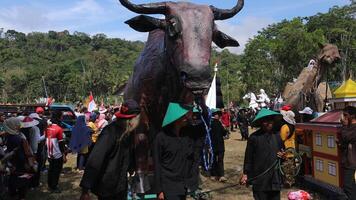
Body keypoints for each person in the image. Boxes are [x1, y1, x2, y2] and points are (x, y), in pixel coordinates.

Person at [79, 99, 141, 200]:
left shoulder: (128, 133)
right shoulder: (110, 132)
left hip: (121, 185)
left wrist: (131, 166)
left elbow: (128, 153)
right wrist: (85, 189)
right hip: (107, 187)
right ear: (133, 119)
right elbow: (95, 159)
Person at [241, 108, 285, 200]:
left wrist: (283, 155)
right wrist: (245, 174)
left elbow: (283, 153)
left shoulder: (277, 136)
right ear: (261, 122)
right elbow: (248, 157)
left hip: (275, 179)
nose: (269, 123)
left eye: (270, 120)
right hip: (260, 179)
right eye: (266, 121)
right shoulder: (254, 137)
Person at [154, 102, 194, 200]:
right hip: (168, 186)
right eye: (182, 115)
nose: (185, 118)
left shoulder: (185, 136)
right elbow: (157, 164)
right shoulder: (161, 138)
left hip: (182, 185)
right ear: (175, 119)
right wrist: (159, 190)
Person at [3, 117, 36, 200]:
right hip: (21, 163)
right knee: (23, 180)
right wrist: (29, 163)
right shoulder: (19, 138)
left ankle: (13, 193)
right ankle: (21, 196)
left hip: (11, 162)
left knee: (13, 178)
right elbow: (25, 153)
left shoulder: (8, 137)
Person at [45, 110, 67, 193]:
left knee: (51, 169)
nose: (62, 117)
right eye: (61, 116)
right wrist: (64, 155)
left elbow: (46, 141)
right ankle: (54, 186)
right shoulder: (59, 129)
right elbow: (61, 144)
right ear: (59, 117)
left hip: (49, 154)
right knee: (56, 171)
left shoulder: (47, 128)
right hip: (57, 154)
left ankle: (50, 184)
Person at [339, 106, 356, 200]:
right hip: (348, 161)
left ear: (352, 116)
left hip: (352, 162)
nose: (343, 118)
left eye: (345, 115)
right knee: (351, 186)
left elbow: (347, 137)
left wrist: (344, 126)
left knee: (348, 186)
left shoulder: (352, 128)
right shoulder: (350, 128)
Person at [210, 108, 228, 182]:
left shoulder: (220, 123)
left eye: (218, 114)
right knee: (214, 160)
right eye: (216, 114)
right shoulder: (210, 123)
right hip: (213, 145)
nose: (217, 115)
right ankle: (214, 174)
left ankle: (221, 175)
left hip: (220, 145)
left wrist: (224, 128)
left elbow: (224, 133)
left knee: (220, 160)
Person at [280, 110, 296, 187]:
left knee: (286, 167)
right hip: (292, 148)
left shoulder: (284, 127)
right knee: (291, 166)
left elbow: (282, 139)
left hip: (286, 148)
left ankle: (287, 182)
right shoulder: (293, 126)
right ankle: (292, 181)